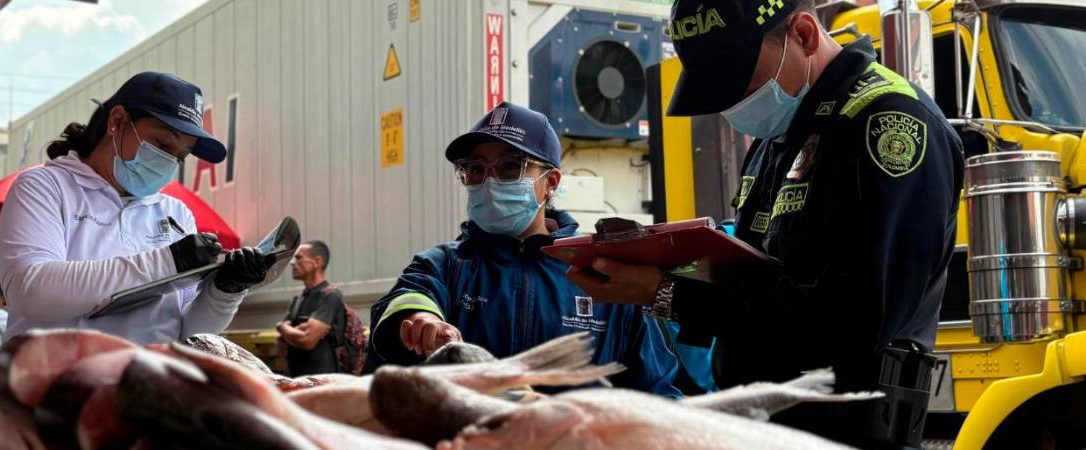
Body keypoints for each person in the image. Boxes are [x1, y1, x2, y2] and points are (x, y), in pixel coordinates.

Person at [565, 0, 963, 446]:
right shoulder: (780, 136)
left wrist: (667, 294)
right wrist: (662, 260)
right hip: (762, 423)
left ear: (805, 35)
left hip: (845, 431)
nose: (731, 104)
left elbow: (853, 322)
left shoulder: (889, 123)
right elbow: (755, 272)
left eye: (740, 81)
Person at [366, 102, 679, 395]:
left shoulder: (605, 271)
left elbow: (657, 394)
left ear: (551, 182)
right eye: (475, 169)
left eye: (510, 167)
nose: (488, 181)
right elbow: (408, 298)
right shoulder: (444, 265)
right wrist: (421, 317)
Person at [0, 71, 272, 344]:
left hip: (149, 382)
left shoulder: (175, 214)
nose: (167, 161)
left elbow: (192, 332)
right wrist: (169, 261)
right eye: (162, 143)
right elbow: (32, 292)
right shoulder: (45, 187)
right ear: (117, 121)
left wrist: (226, 291)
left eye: (179, 156)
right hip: (57, 381)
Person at [277, 241, 348, 376]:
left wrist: (282, 327)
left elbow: (306, 340)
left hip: (323, 382)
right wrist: (294, 332)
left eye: (299, 258)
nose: (292, 263)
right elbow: (280, 347)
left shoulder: (331, 295)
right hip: (296, 380)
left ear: (317, 262)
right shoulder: (299, 299)